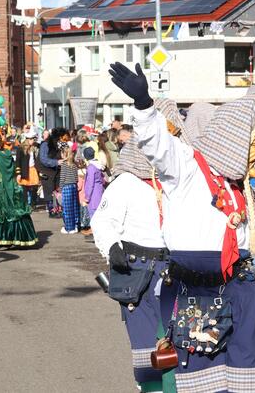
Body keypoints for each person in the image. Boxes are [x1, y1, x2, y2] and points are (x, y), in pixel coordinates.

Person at [110, 62, 255, 391]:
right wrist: (144, 105)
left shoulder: (240, 187)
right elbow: (159, 147)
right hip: (192, 287)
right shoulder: (186, 167)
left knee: (244, 372)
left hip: (238, 287)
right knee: (199, 370)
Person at [91, 137, 169, 393]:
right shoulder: (125, 182)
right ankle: (152, 386)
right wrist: (112, 248)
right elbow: (102, 220)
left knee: (177, 333)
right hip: (138, 268)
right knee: (144, 335)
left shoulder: (171, 180)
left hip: (172, 265)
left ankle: (174, 384)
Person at [39, 128, 68, 218]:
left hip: (57, 172)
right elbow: (43, 159)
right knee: (49, 192)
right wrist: (56, 162)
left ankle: (58, 210)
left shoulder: (59, 144)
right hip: (47, 172)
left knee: (57, 191)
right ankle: (52, 211)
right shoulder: (45, 144)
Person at [15, 130, 40, 208]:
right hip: (25, 170)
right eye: (32, 139)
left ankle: (33, 204)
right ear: (28, 139)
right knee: (25, 189)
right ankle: (25, 205)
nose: (33, 141)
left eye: (33, 139)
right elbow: (18, 162)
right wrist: (18, 173)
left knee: (34, 187)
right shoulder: (20, 149)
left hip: (33, 169)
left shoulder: (34, 148)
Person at [59, 144, 79, 234]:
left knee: (67, 209)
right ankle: (76, 225)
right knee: (74, 207)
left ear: (64, 154)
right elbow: (76, 177)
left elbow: (62, 178)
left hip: (66, 187)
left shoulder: (64, 164)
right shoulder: (74, 164)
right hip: (74, 186)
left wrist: (60, 189)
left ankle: (69, 228)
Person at [83, 147, 105, 220]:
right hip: (99, 192)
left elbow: (90, 184)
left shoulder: (91, 168)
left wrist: (87, 197)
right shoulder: (98, 165)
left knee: (94, 218)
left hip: (93, 196)